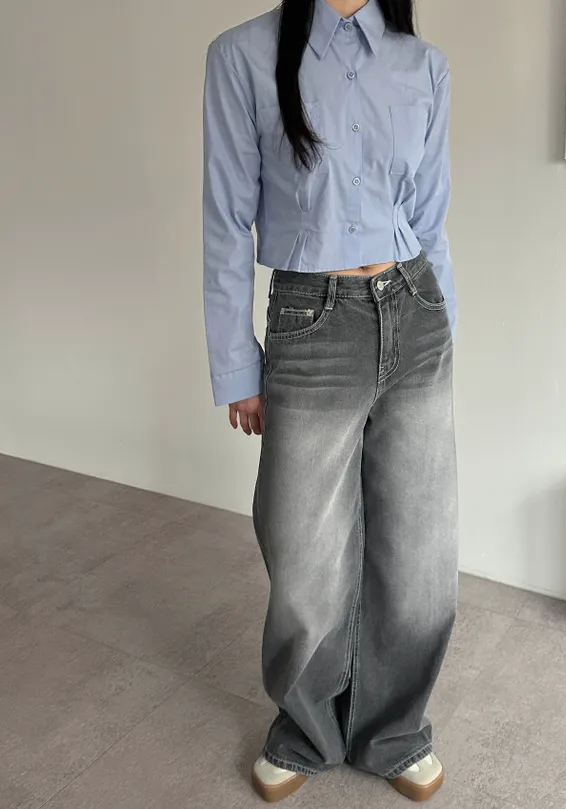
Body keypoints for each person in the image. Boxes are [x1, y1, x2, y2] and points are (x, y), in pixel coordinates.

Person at [203, 0, 458, 801]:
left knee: (418, 551)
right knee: (304, 554)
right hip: (310, 319)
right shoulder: (242, 55)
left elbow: (431, 217)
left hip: (414, 311)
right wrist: (236, 365)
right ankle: (308, 727)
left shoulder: (422, 65)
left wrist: (446, 331)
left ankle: (393, 729)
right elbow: (224, 218)